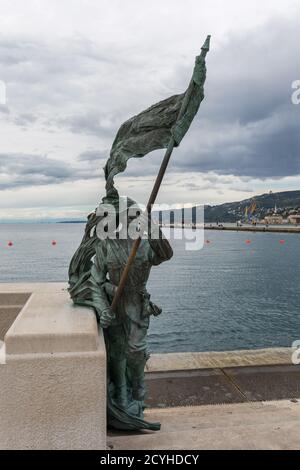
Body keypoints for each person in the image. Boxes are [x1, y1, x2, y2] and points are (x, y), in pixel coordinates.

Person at [88, 196, 173, 430]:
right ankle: (123, 403)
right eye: (130, 216)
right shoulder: (106, 244)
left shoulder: (145, 244)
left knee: (136, 351)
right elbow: (95, 281)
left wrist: (152, 227)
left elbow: (166, 254)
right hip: (114, 302)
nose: (133, 220)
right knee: (116, 352)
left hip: (136, 303)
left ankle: (139, 400)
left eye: (137, 216)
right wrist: (103, 308)